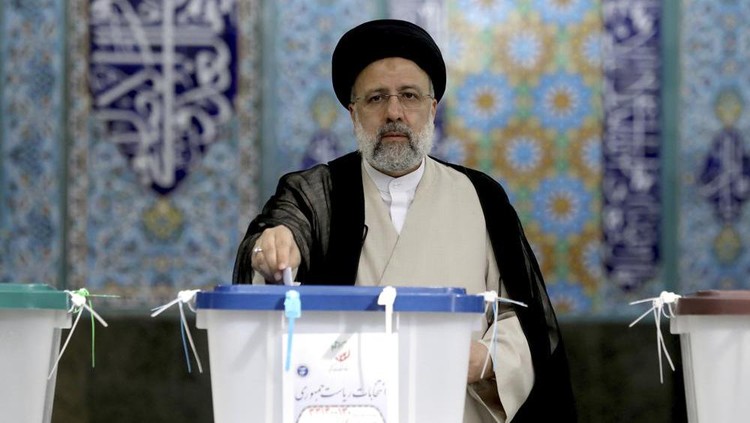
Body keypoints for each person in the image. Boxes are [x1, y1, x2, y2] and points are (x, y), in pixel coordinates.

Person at [233, 19, 576, 423]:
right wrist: (271, 246)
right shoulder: (317, 192)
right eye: (376, 98)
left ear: (431, 108)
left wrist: (487, 361)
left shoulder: (481, 196)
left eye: (409, 96)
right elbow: (284, 229)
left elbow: (522, 317)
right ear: (353, 113)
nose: (394, 112)